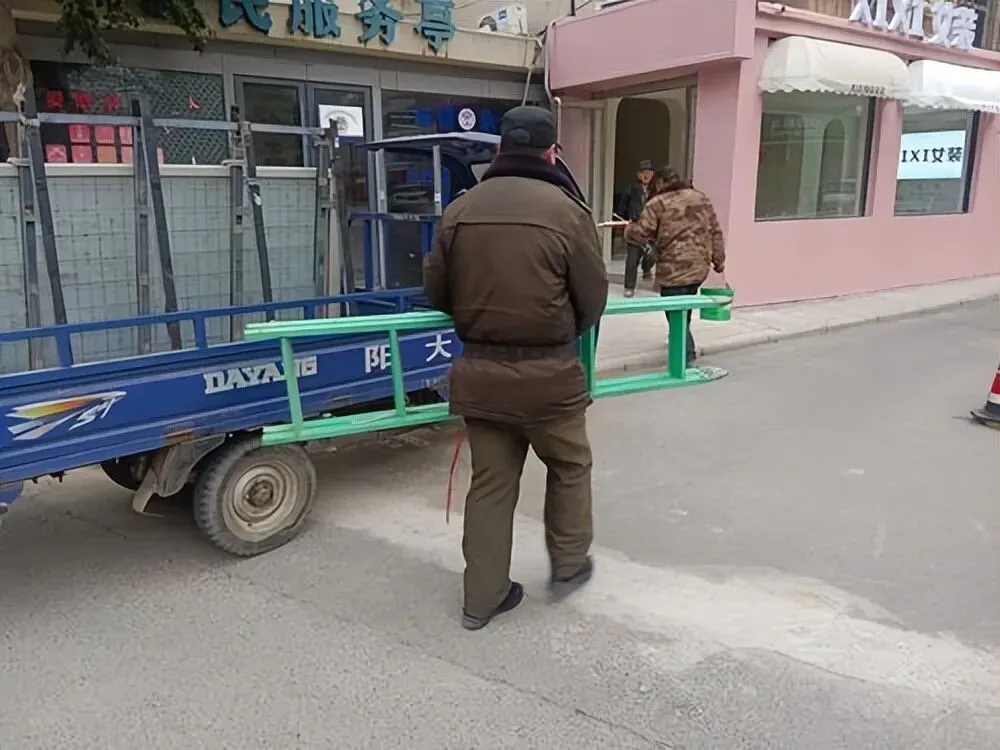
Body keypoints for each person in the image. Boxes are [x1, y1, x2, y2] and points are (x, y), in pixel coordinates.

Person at [423, 105, 608, 631]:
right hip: (550, 377)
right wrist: (556, 331)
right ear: (551, 153)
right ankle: (568, 565)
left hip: (482, 374)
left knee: (491, 485)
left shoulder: (460, 210)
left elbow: (436, 291)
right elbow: (593, 298)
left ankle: (480, 600)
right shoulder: (569, 212)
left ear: (500, 149)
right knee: (569, 466)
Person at [624, 166, 725, 363]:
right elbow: (715, 231)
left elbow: (642, 233)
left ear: (661, 183)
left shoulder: (658, 203)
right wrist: (719, 260)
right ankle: (678, 344)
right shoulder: (701, 198)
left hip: (673, 269)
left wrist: (629, 229)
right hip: (699, 266)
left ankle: (685, 357)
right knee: (684, 309)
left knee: (675, 314)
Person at [615, 159, 655, 296]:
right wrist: (623, 220)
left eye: (649, 172)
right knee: (632, 258)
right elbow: (622, 206)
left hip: (652, 228)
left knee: (652, 255)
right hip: (636, 227)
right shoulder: (632, 188)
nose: (646, 175)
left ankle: (646, 268)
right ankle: (629, 287)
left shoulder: (656, 189)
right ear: (638, 174)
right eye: (643, 172)